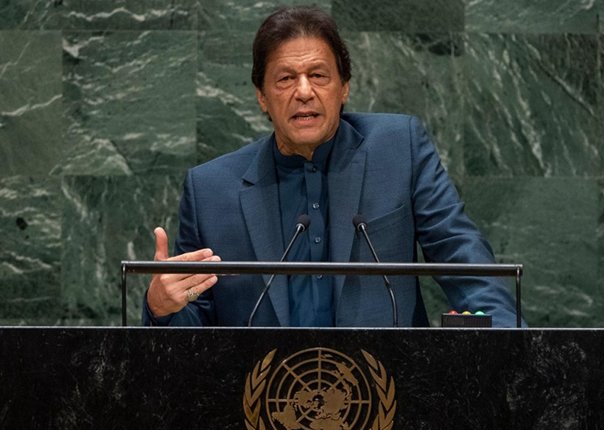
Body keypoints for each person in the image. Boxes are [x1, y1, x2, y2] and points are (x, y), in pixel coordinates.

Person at [143, 5, 521, 327]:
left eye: (318, 76)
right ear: (261, 96)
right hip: (260, 401)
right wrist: (162, 306)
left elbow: (461, 255)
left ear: (344, 88)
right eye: (286, 78)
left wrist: (508, 341)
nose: (303, 91)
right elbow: (192, 326)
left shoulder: (398, 148)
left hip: (390, 391)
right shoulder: (210, 190)